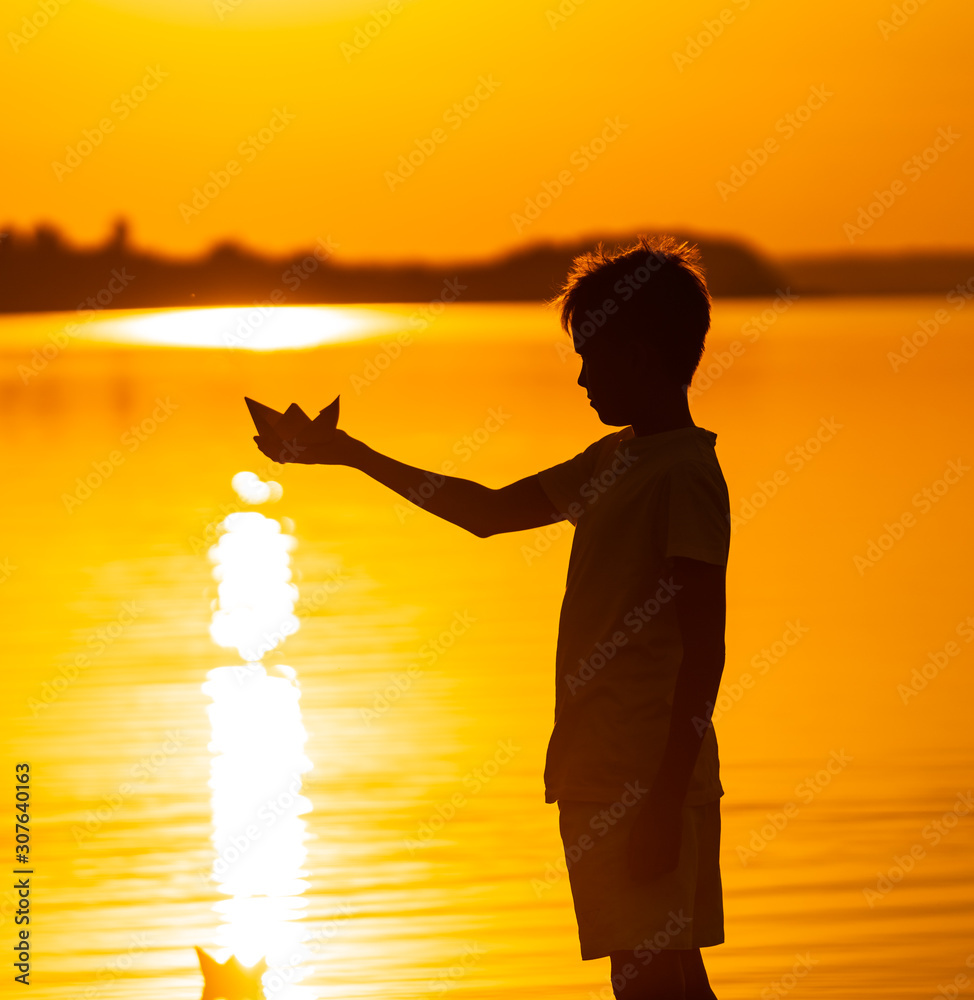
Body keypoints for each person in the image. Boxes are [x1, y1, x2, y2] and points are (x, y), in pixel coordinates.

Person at [254, 235, 730, 1000]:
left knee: (651, 983)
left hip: (647, 782)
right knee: (658, 979)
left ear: (640, 354)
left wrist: (666, 799)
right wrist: (350, 454)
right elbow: (486, 512)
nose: (579, 376)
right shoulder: (614, 462)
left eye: (592, 355)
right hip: (599, 772)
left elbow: (706, 648)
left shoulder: (686, 475)